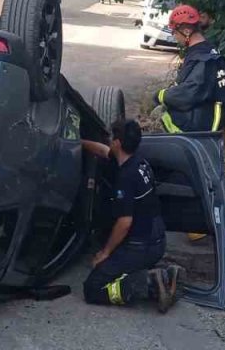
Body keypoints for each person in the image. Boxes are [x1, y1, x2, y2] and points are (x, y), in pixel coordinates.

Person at [80, 119, 184, 312]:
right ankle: (167, 276)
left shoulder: (125, 177)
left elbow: (125, 222)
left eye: (112, 137)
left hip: (139, 247)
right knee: (121, 267)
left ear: (118, 143)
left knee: (93, 288)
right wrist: (78, 143)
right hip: (157, 242)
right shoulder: (140, 162)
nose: (109, 140)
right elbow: (104, 151)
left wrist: (105, 253)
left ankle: (148, 282)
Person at [154, 5, 225, 135]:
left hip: (201, 124)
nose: (173, 35)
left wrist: (161, 95)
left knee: (161, 116)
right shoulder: (206, 50)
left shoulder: (203, 60)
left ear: (186, 31)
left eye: (174, 31)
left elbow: (189, 93)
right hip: (207, 115)